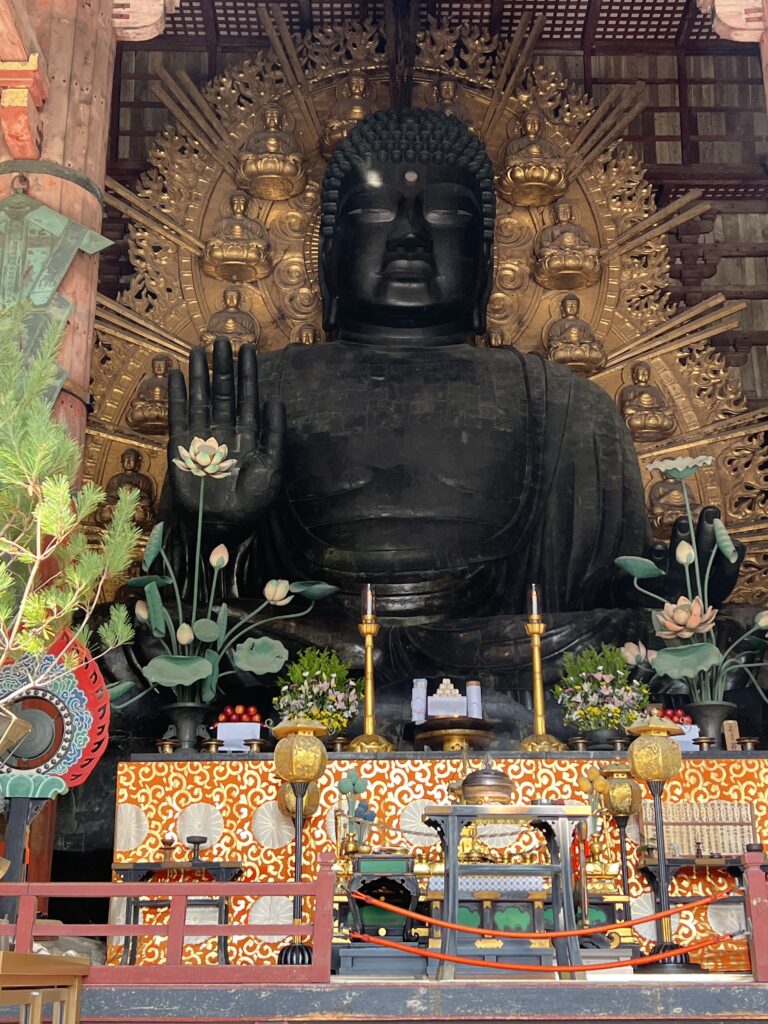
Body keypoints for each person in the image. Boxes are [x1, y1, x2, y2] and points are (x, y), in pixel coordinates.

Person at [161, 109, 741, 715]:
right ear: (329, 255)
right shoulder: (256, 390)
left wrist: (679, 590)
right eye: (373, 213)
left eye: (446, 215)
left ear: (485, 261)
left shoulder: (567, 404)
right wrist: (210, 523)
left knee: (695, 640)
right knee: (161, 632)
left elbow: (601, 588)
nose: (409, 235)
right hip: (312, 648)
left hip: (504, 649)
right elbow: (188, 594)